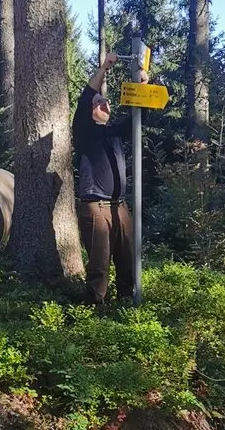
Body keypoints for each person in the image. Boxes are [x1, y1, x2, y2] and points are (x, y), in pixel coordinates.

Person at [72, 50, 147, 304]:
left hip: (121, 206)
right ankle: (95, 314)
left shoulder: (115, 133)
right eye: (97, 103)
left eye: (105, 102)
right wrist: (104, 67)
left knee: (127, 260)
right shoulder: (84, 132)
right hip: (97, 207)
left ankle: (126, 305)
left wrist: (144, 84)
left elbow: (140, 115)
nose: (102, 104)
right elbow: (85, 98)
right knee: (99, 267)